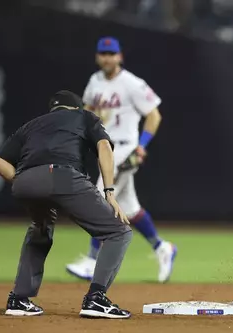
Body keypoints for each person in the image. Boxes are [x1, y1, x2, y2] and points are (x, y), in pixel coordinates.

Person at [0, 90, 133, 319]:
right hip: (63, 175)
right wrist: (109, 192)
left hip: (25, 181)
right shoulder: (84, 116)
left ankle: (19, 299)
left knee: (40, 229)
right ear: (76, 107)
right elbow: (104, 147)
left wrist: (26, 181)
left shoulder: (31, 125)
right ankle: (96, 299)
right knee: (118, 231)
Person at [65, 37, 177, 283]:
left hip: (124, 150)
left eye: (111, 53)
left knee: (98, 197)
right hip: (104, 150)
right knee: (130, 208)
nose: (107, 57)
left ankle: (93, 259)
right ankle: (162, 248)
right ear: (97, 56)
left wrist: (141, 147)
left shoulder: (132, 84)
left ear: (120, 56)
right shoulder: (95, 81)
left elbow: (154, 115)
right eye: (103, 53)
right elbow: (87, 111)